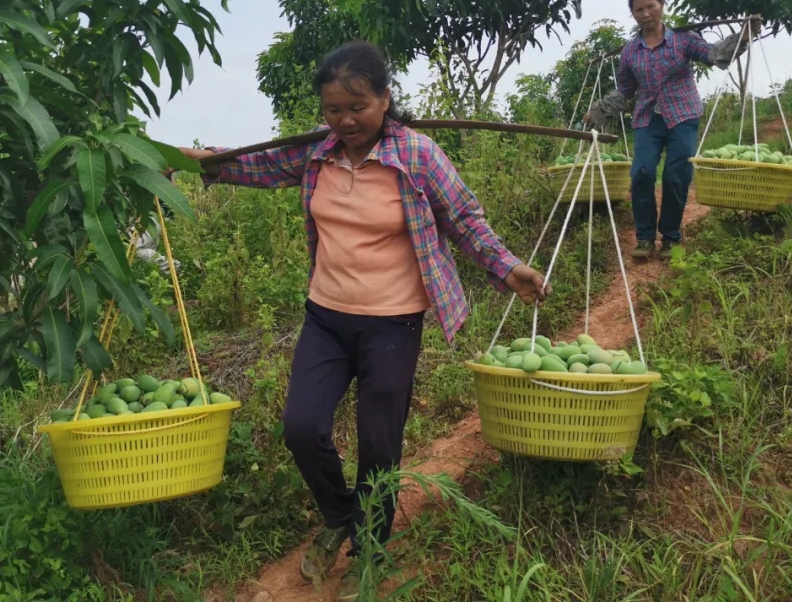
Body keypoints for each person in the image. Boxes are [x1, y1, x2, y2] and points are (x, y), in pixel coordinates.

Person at [175, 41, 550, 601]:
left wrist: (508, 267)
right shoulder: (315, 153)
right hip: (325, 316)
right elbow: (248, 162)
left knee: (379, 444)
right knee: (301, 426)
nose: (346, 121)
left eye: (359, 107)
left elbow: (465, 220)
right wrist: (185, 159)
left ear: (385, 98)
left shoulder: (418, 155)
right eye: (334, 109)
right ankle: (338, 517)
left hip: (392, 325)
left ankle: (370, 550)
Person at [584, 0, 760, 261]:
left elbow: (713, 55)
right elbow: (626, 89)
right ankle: (644, 238)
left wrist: (744, 37)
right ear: (633, 14)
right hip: (647, 118)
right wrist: (599, 111)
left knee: (676, 176)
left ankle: (670, 236)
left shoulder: (683, 39)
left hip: (683, 114)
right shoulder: (630, 51)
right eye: (638, 9)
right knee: (641, 173)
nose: (645, 13)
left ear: (662, 4)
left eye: (650, 6)